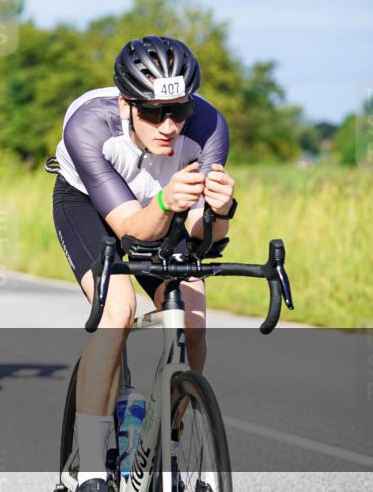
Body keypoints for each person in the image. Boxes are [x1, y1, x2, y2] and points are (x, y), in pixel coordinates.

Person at [50, 36, 236, 491]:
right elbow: (132, 230)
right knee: (118, 311)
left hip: (164, 208)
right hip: (92, 207)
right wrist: (166, 201)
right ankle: (92, 468)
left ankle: (169, 437)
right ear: (125, 103)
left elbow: (201, 237)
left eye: (179, 110)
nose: (169, 125)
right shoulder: (88, 126)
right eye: (153, 112)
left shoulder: (210, 128)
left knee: (192, 318)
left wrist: (222, 213)